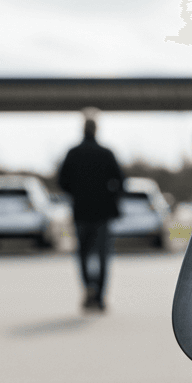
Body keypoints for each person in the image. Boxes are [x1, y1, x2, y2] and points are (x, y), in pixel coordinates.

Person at [58, 114, 124, 310]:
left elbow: (62, 181)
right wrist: (110, 198)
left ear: (82, 129)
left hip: (81, 211)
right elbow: (120, 181)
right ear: (96, 130)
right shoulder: (106, 153)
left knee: (83, 254)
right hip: (102, 212)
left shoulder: (73, 153)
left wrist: (77, 193)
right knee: (103, 255)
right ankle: (101, 297)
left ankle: (88, 291)